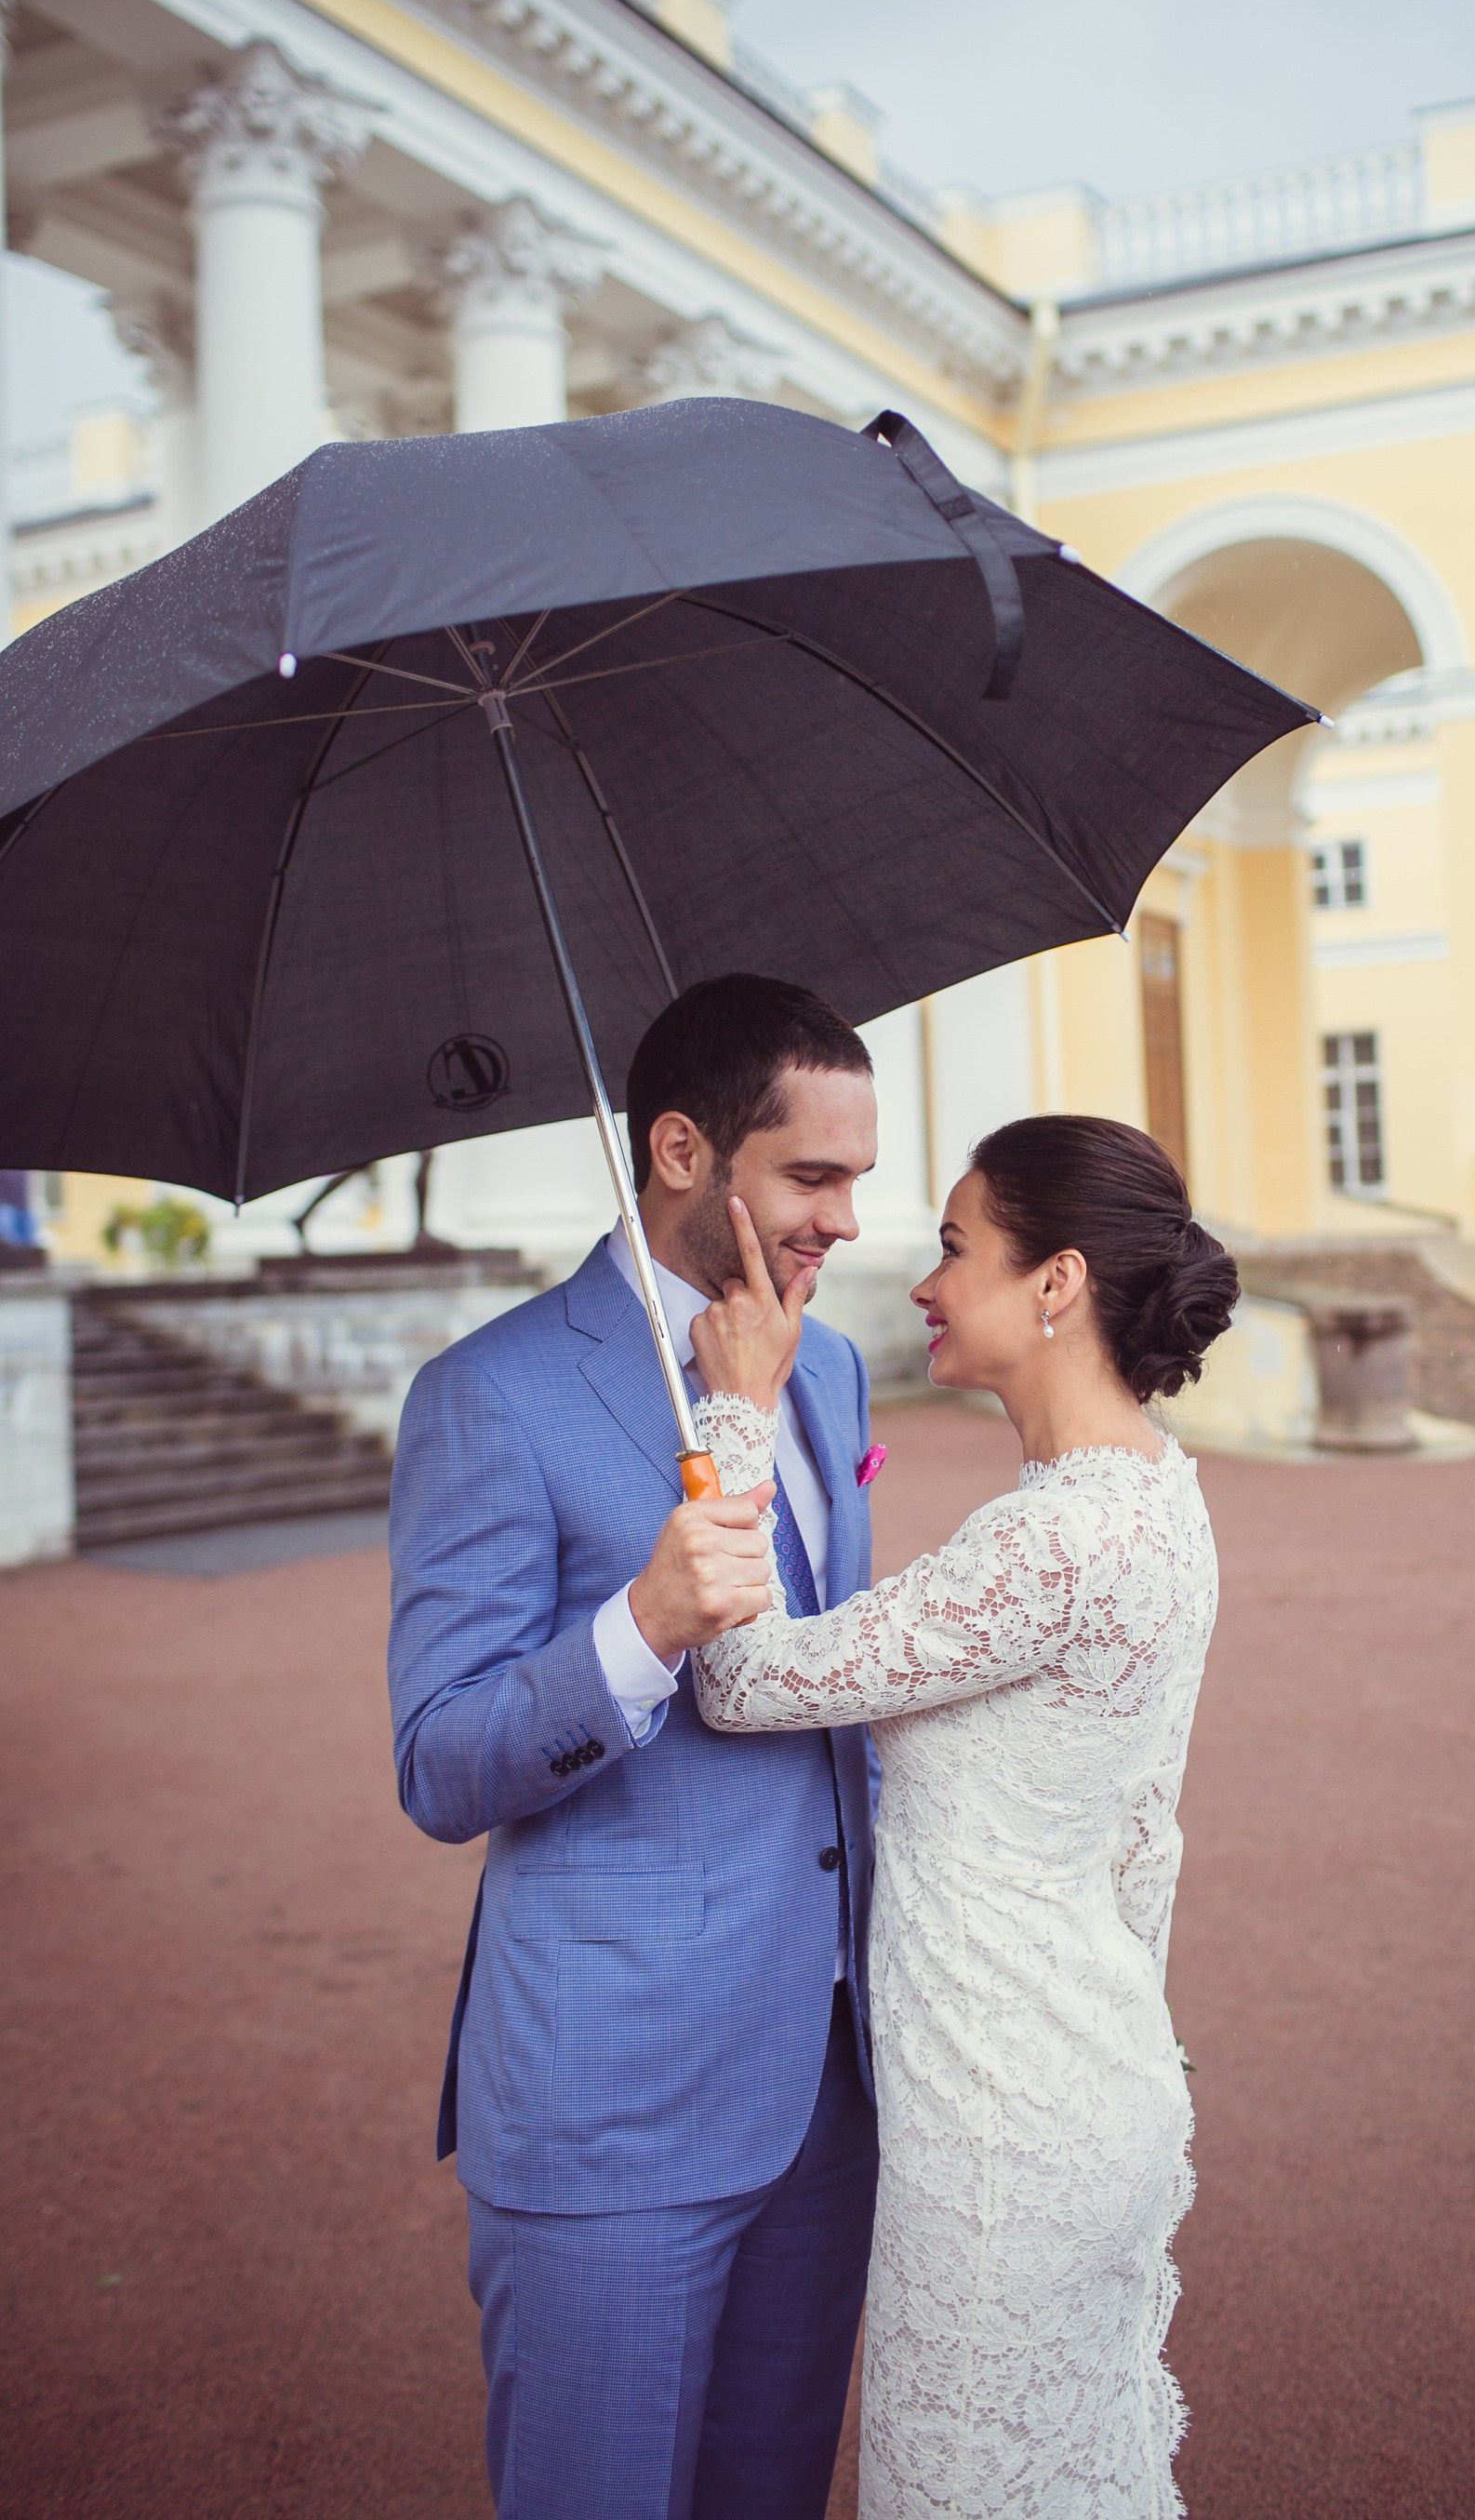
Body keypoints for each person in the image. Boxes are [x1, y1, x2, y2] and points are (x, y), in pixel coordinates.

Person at [687, 1113, 1239, 2520]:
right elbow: (1144, 1837)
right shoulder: (1160, 1496)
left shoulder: (1049, 1542)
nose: (924, 1284)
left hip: (1004, 2133)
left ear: (1056, 1282)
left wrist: (739, 1410)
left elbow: (741, 1680)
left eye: (953, 1247)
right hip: (1094, 2073)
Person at [387, 974, 884, 2520]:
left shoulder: (829, 1367)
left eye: (857, 1179)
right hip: (614, 2104)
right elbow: (439, 1762)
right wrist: (641, 1629)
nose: (845, 1221)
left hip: (828, 2082)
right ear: (680, 1150)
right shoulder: (491, 1396)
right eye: (812, 1176)